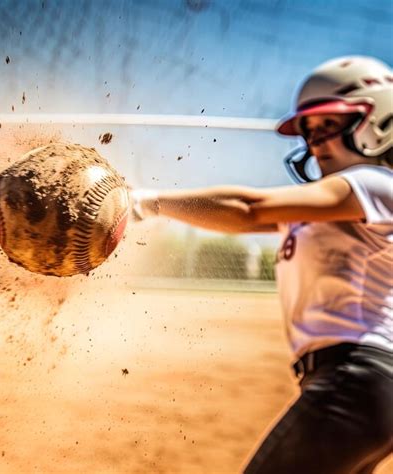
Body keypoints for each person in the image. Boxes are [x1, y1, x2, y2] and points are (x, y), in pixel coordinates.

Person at [131, 56, 393, 473]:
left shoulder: (375, 184)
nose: (316, 143)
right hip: (355, 384)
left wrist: (144, 203)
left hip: (357, 380)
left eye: (329, 125)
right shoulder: (331, 208)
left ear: (379, 120)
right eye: (309, 131)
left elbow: (249, 208)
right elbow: (237, 219)